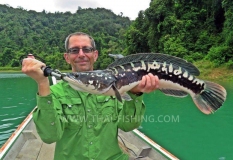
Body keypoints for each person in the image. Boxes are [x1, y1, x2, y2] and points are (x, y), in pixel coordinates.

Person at [22, 32, 160, 160]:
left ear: (95, 55)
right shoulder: (55, 93)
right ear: (67, 57)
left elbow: (128, 125)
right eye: (74, 50)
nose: (81, 54)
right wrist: (42, 83)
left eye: (86, 49)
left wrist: (136, 93)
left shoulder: (114, 88)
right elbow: (50, 136)